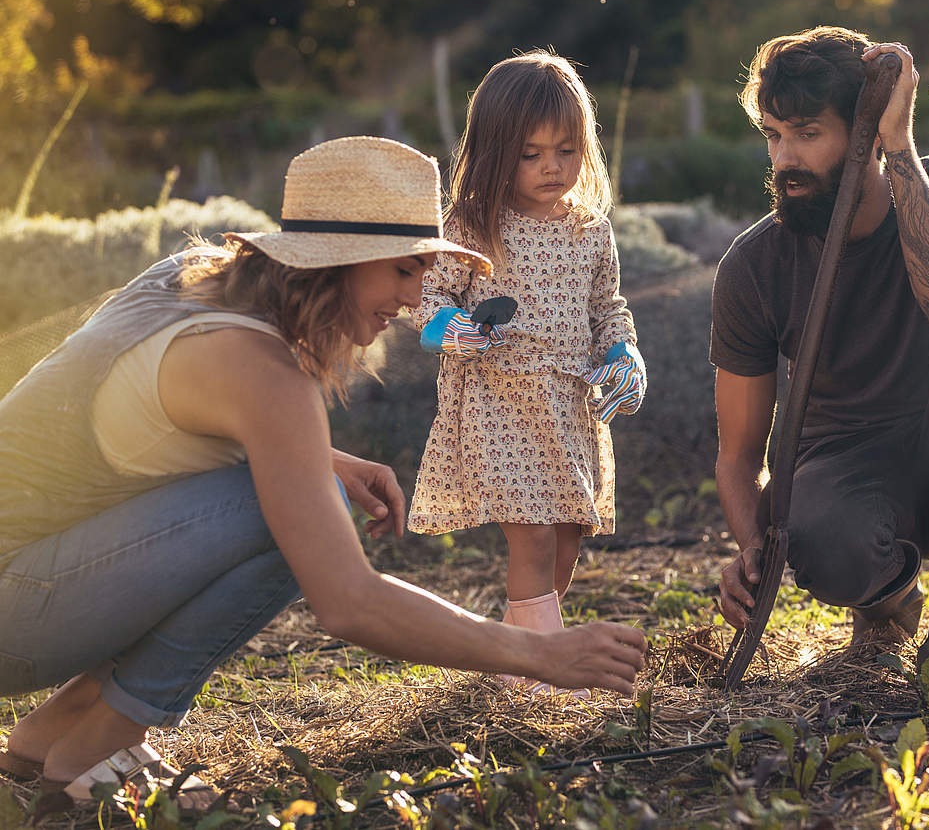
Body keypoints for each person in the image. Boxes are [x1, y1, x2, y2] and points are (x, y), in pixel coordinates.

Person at [0, 137, 647, 810]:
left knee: (309, 489)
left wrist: (322, 458)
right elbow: (348, 601)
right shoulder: (263, 374)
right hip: (15, 615)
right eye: (403, 270)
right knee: (298, 518)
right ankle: (97, 747)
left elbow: (134, 417)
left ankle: (55, 734)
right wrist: (540, 655)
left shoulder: (190, 281)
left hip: (25, 576)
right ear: (340, 262)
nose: (414, 296)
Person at [712, 26, 929, 668]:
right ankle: (888, 600)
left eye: (807, 134)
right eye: (774, 135)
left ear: (864, 130)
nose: (784, 160)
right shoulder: (754, 265)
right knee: (827, 543)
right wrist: (752, 545)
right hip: (843, 459)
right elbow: (740, 451)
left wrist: (899, 147)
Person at [407, 52, 646, 694]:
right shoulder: (473, 225)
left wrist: (624, 354)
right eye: (530, 153)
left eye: (565, 150)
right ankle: (542, 672)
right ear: (495, 151)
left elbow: (608, 309)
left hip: (568, 403)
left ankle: (516, 659)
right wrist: (449, 330)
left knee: (565, 539)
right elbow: (429, 299)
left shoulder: (590, 229)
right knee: (533, 536)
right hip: (500, 400)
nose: (551, 167)